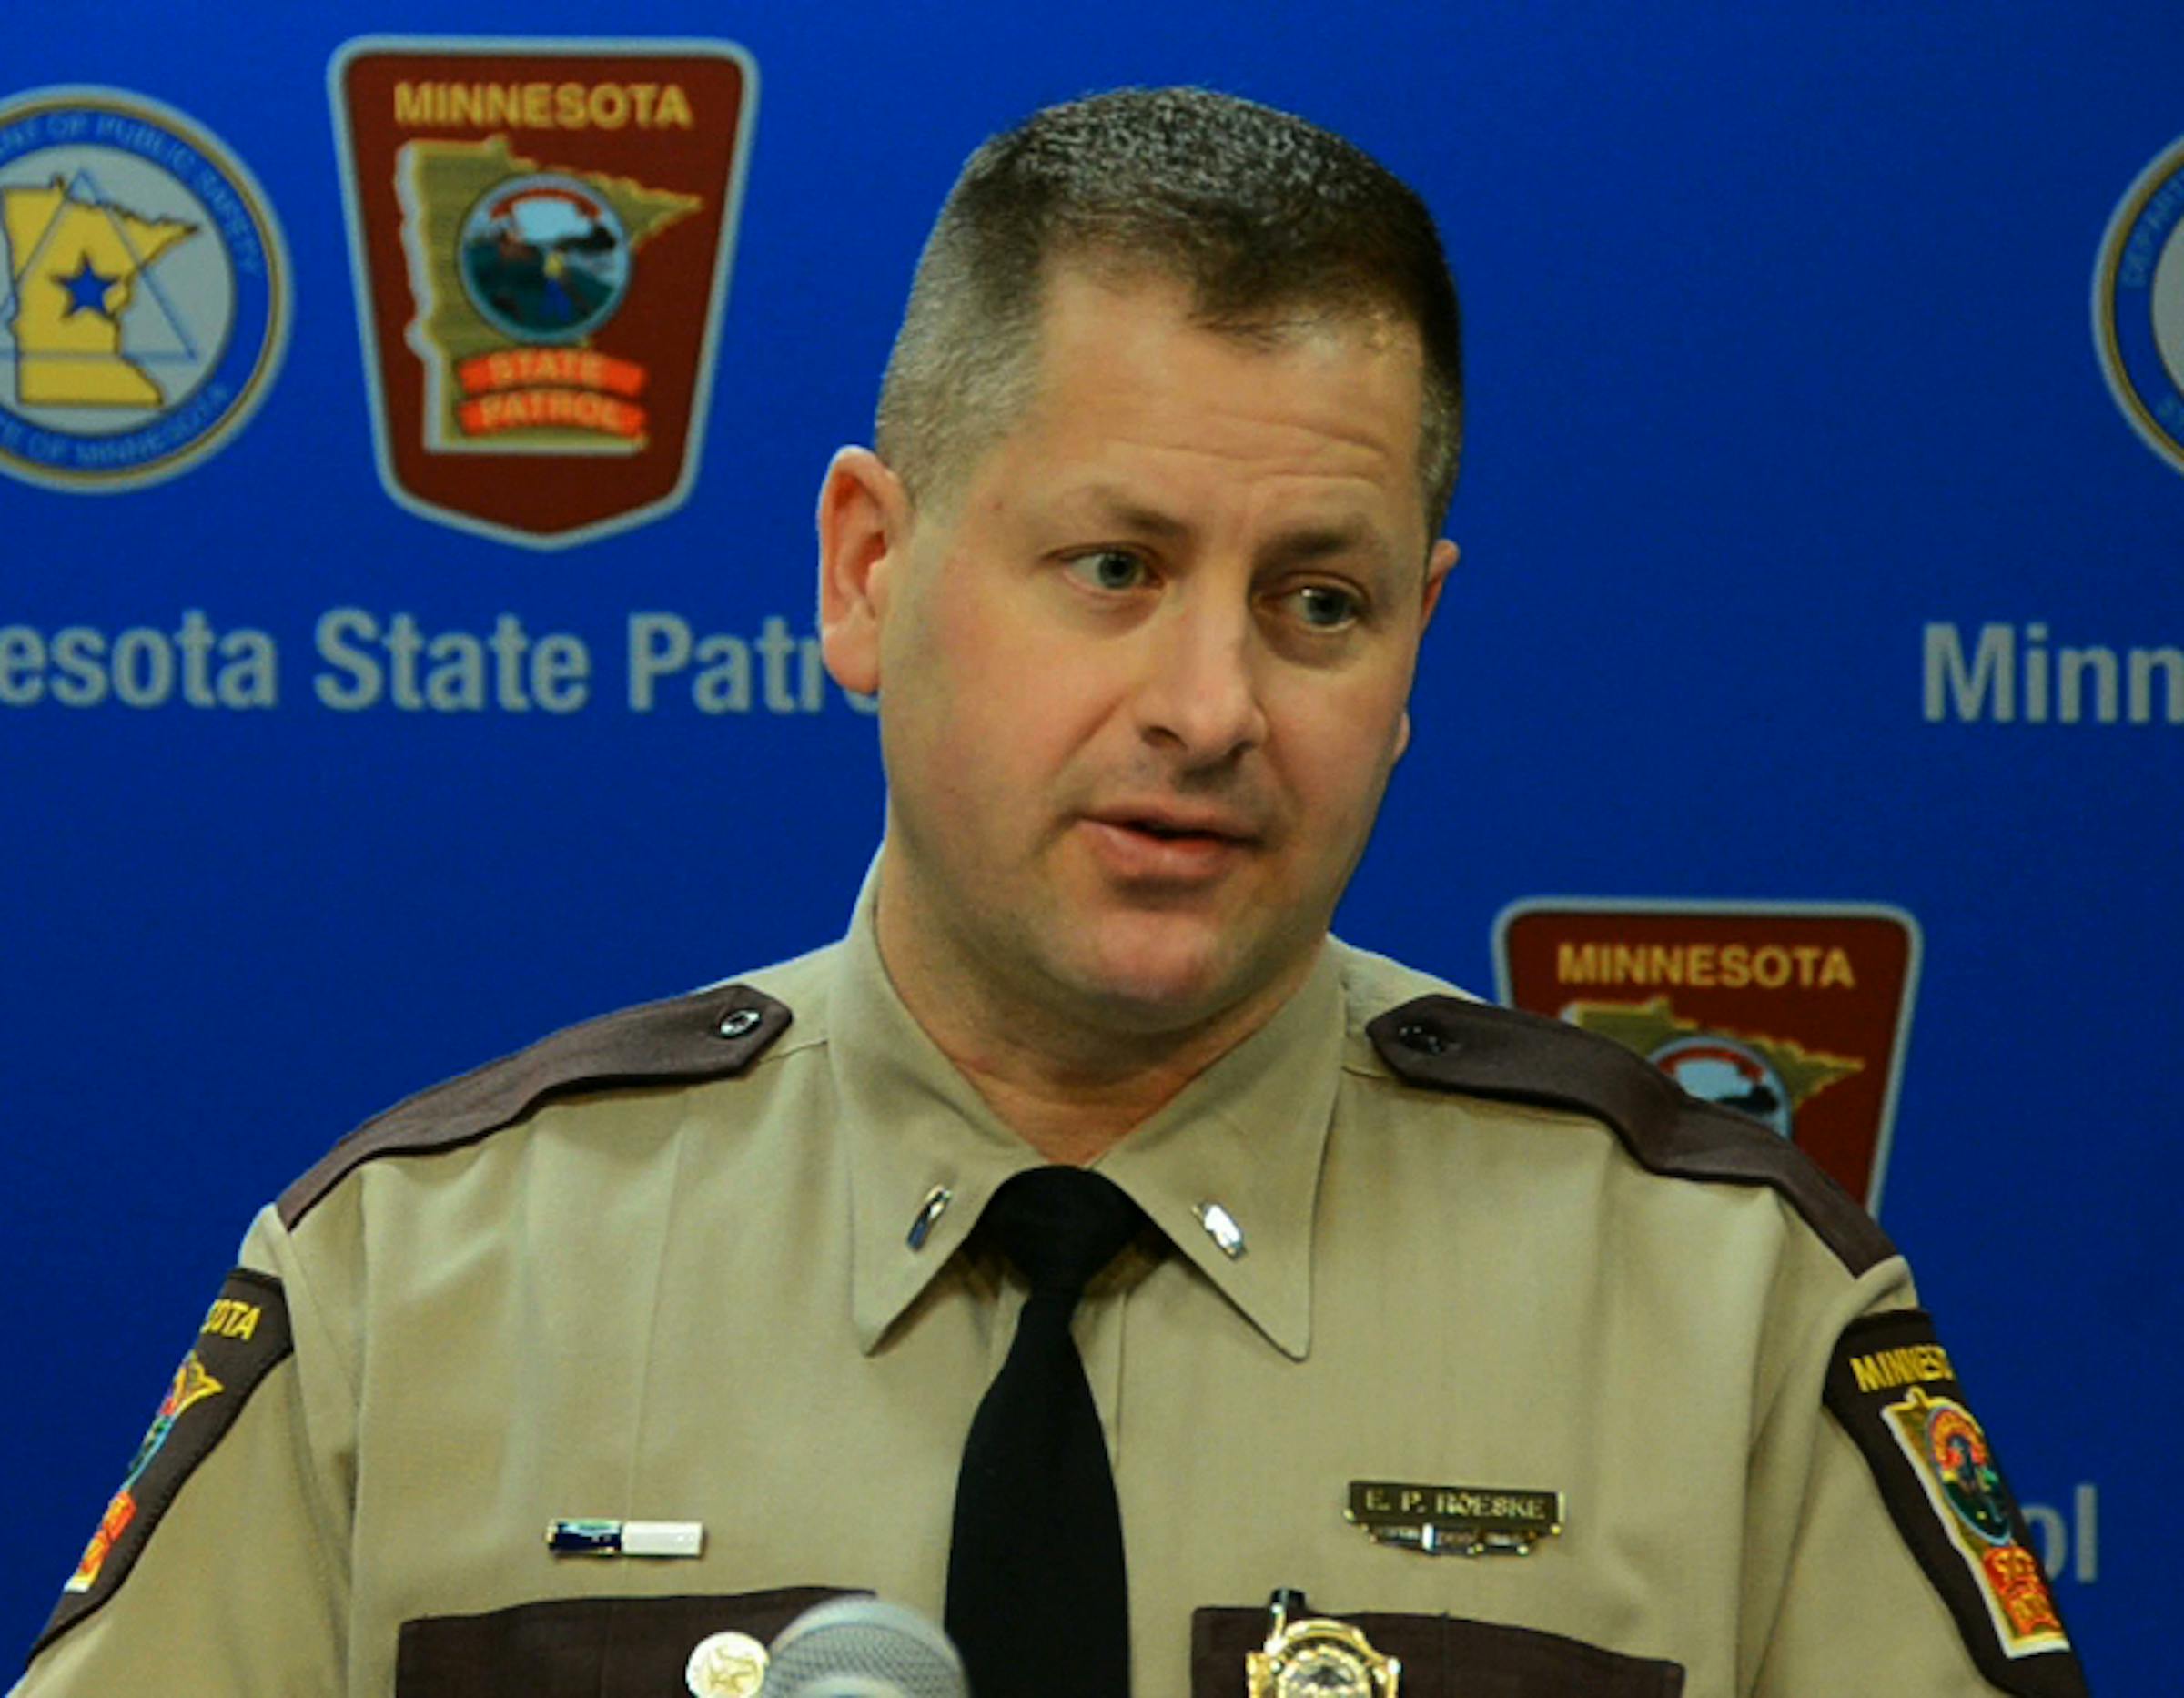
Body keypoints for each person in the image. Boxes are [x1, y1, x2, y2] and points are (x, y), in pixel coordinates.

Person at [12, 87, 2088, 1698]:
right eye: (1115, 567)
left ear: (1417, 649)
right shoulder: (420, 1294)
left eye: (1321, 601)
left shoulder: (1727, 1320)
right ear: (868, 572)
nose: (1213, 707)